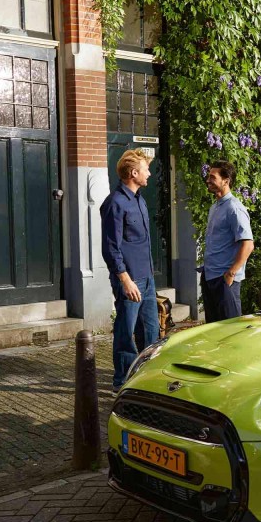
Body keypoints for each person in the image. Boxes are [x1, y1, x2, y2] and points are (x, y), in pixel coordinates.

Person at [100, 149, 160, 391]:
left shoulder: (139, 199)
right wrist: (125, 280)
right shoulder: (114, 203)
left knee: (151, 330)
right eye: (146, 169)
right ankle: (121, 382)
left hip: (147, 278)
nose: (149, 173)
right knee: (125, 332)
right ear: (134, 173)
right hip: (129, 280)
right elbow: (110, 248)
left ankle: (147, 378)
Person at [202, 161, 254, 322]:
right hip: (210, 276)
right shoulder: (215, 207)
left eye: (212, 177)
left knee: (229, 331)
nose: (208, 180)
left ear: (226, 180)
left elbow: (248, 244)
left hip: (225, 280)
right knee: (213, 330)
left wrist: (231, 274)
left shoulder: (234, 208)